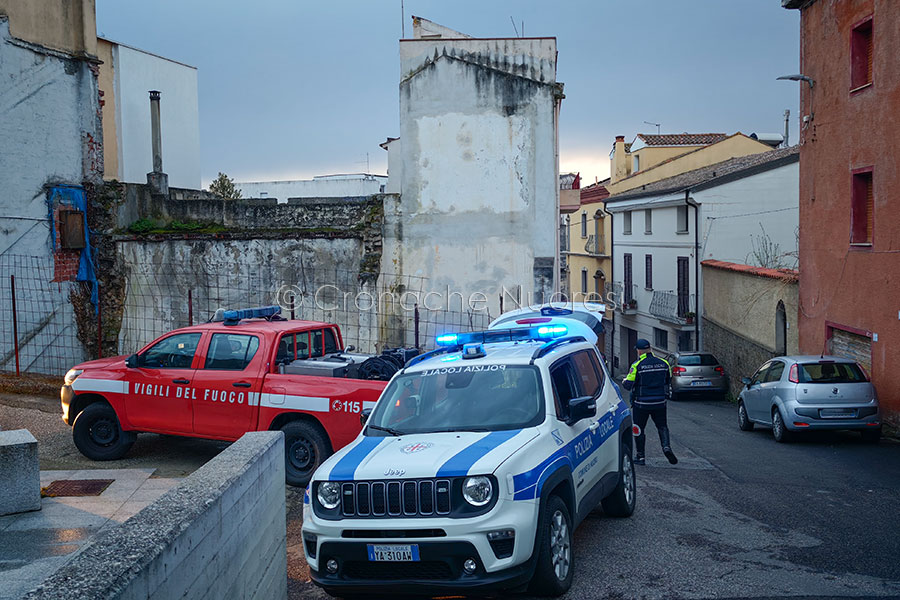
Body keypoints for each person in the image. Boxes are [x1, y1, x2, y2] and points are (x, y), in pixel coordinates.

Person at [622, 339, 677, 466]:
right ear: (650, 349)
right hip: (660, 402)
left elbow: (628, 385)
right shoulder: (664, 363)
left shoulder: (637, 365)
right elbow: (668, 381)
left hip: (641, 404)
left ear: (639, 350)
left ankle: (640, 456)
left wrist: (624, 381)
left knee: (638, 428)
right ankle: (666, 447)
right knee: (662, 426)